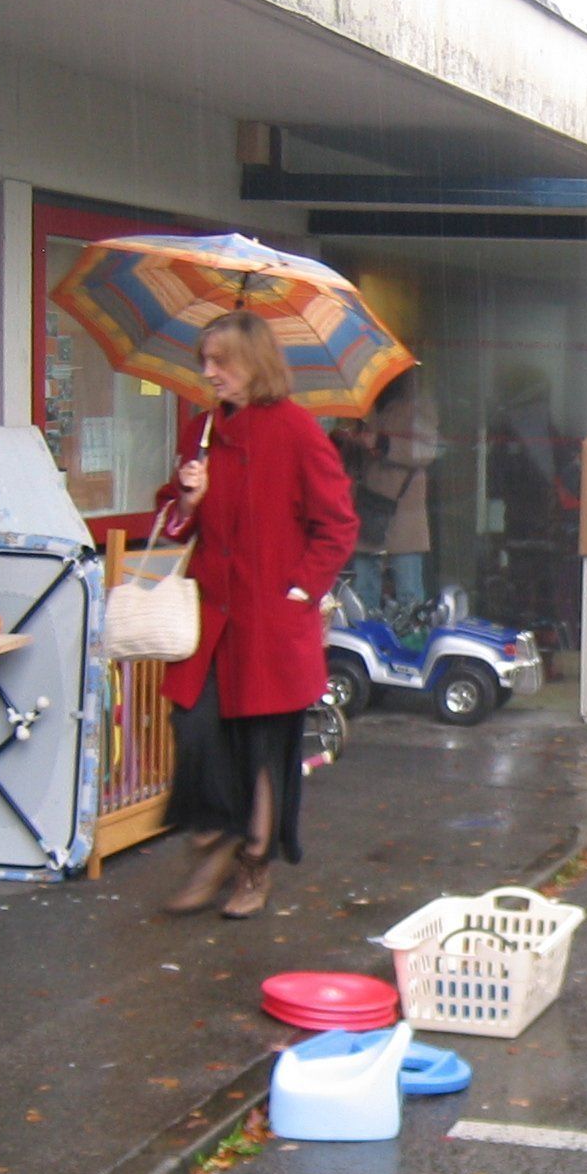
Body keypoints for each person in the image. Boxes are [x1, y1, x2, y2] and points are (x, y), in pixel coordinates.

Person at [157, 310, 358, 920]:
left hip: (270, 623)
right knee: (197, 729)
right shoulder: (201, 431)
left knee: (265, 752)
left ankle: (253, 862)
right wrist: (188, 497)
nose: (208, 372)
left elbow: (338, 524)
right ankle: (216, 842)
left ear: (255, 363)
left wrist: (299, 591)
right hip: (212, 623)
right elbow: (171, 517)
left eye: (220, 361)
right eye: (204, 360)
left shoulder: (297, 431)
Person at [336, 368, 440, 616]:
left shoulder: (418, 405)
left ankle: (410, 636)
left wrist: (382, 443)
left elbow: (426, 450)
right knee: (364, 591)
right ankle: (367, 633)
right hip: (369, 505)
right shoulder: (368, 406)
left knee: (409, 594)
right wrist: (351, 443)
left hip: (403, 508)